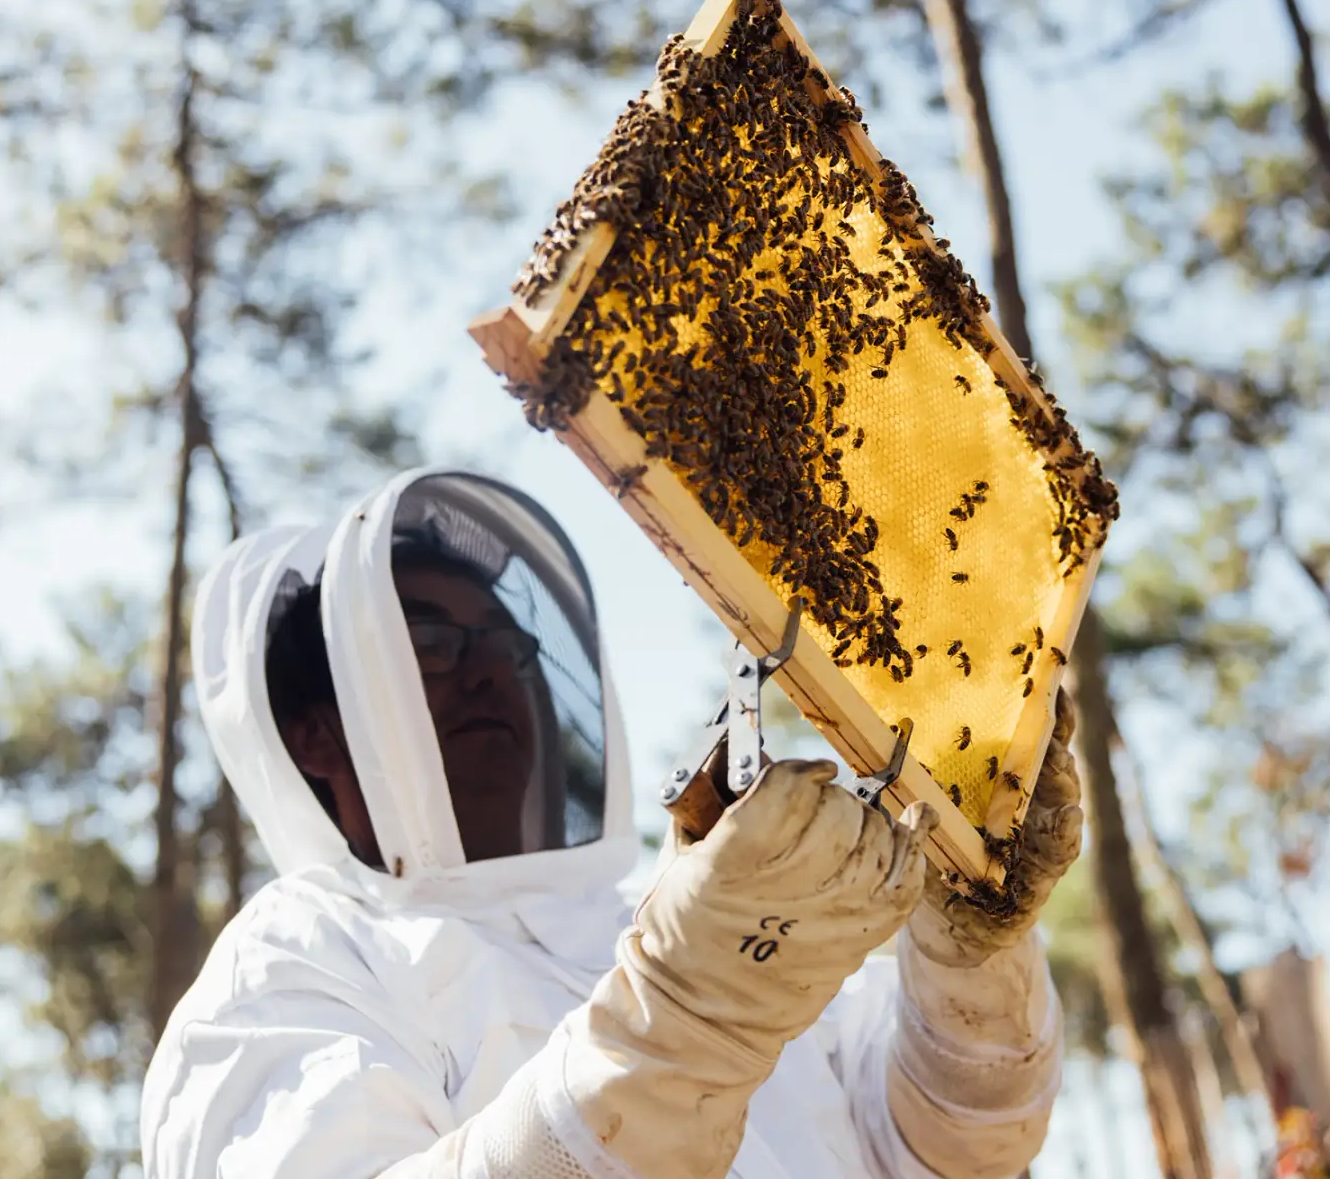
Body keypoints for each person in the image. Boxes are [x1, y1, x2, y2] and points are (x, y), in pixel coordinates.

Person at [143, 467, 1084, 1179]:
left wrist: (971, 959)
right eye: (432, 644)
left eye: (506, 640)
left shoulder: (694, 921)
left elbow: (953, 1146)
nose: (490, 669)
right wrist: (681, 1031)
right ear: (315, 733)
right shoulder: (296, 966)